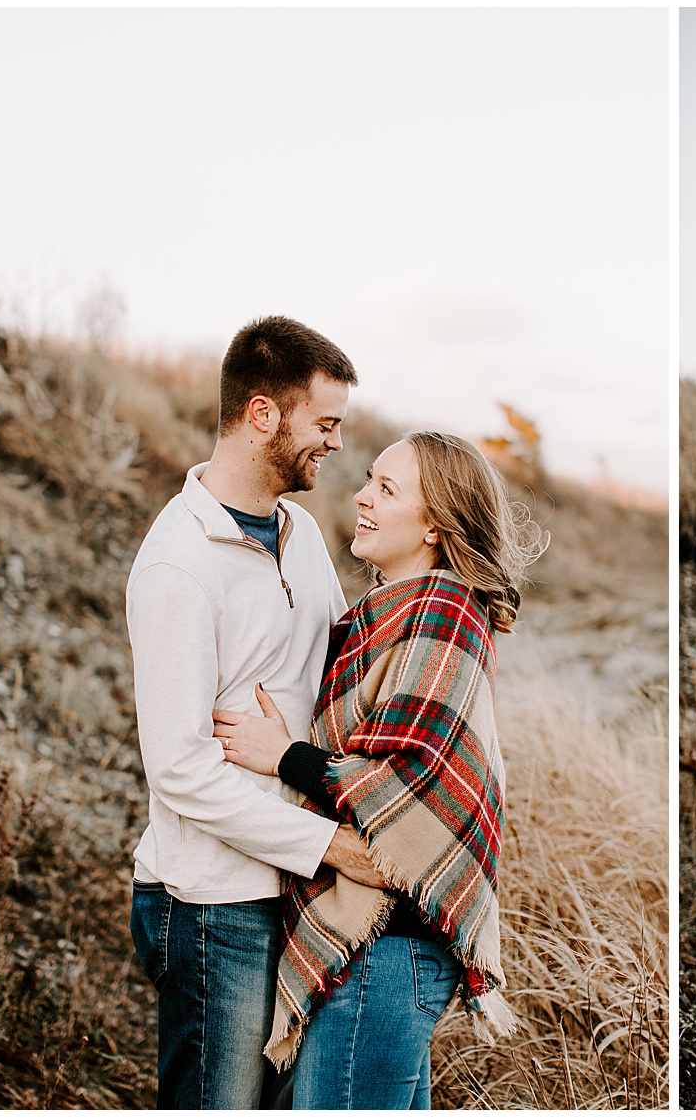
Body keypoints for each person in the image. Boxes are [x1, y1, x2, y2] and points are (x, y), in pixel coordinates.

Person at [212, 430, 546, 1109]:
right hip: (378, 953)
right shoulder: (375, 616)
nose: (361, 496)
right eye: (370, 479)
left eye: (387, 490)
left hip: (387, 952)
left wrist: (283, 755)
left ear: (434, 525)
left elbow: (408, 783)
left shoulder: (443, 612)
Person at [126, 316, 386, 1109]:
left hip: (291, 892)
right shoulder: (177, 566)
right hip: (213, 906)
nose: (337, 444)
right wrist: (332, 844)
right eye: (326, 422)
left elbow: (346, 662)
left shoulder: (300, 531)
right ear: (264, 414)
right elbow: (180, 771)